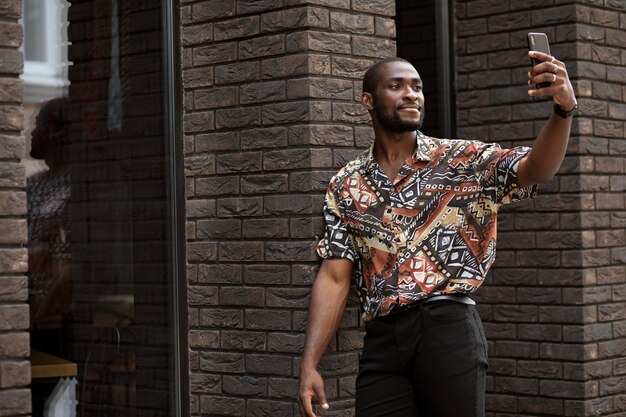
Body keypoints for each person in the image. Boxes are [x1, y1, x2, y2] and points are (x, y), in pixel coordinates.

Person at [298, 51, 577, 417]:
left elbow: (536, 169)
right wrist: (309, 364)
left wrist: (563, 111)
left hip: (447, 327)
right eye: (396, 86)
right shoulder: (347, 184)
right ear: (368, 100)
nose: (411, 94)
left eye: (416, 86)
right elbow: (335, 277)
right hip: (383, 339)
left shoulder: (463, 160)